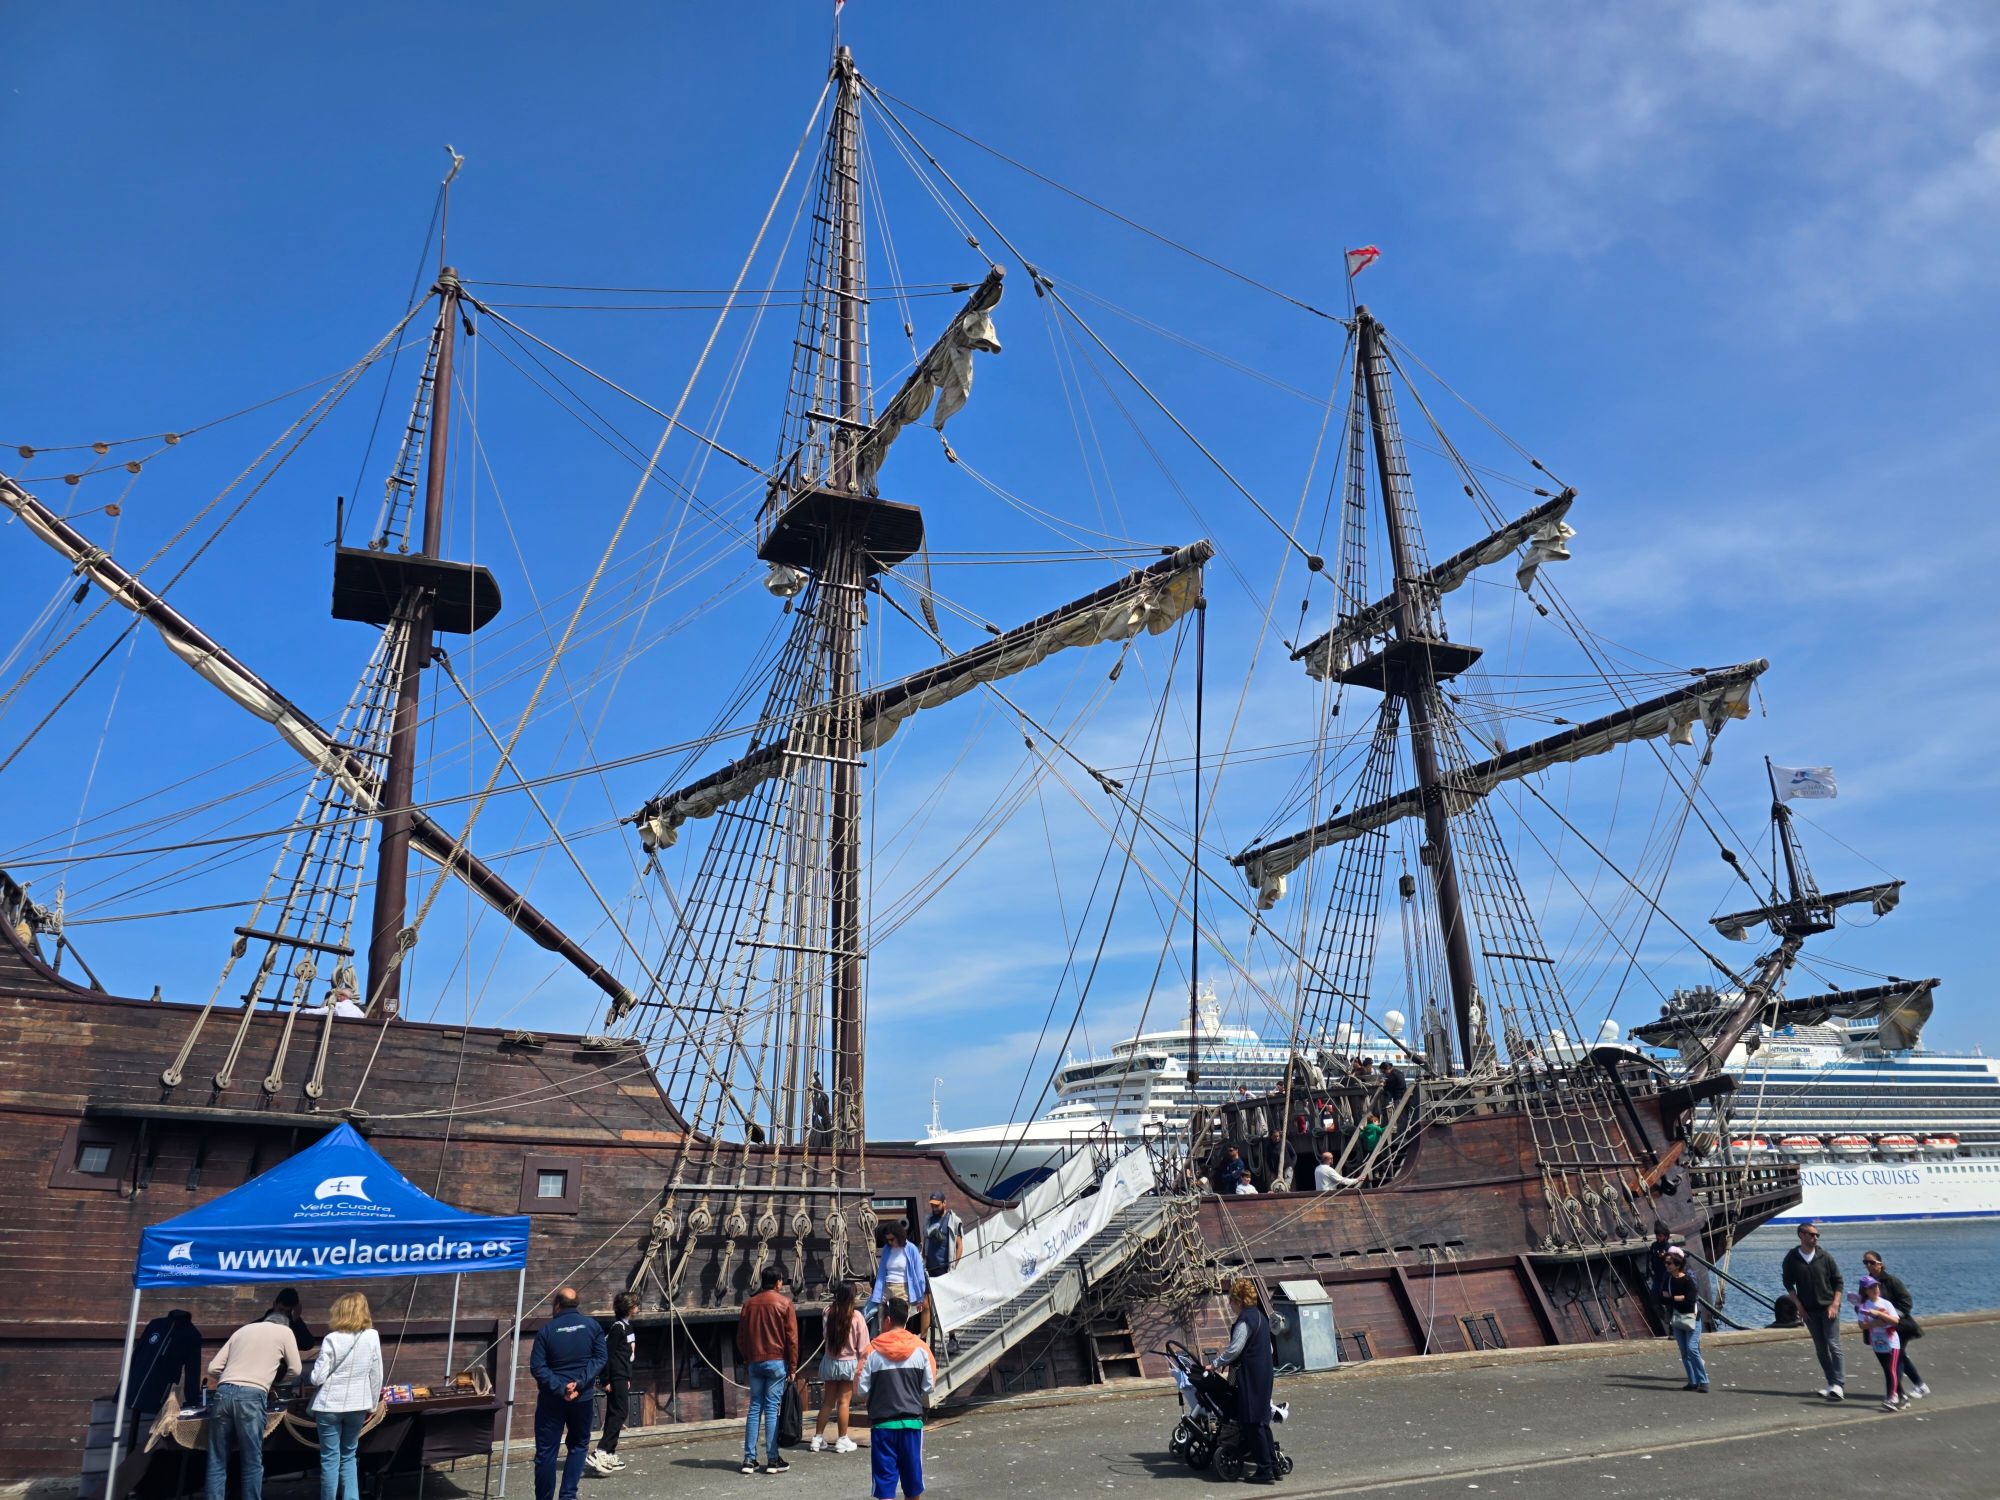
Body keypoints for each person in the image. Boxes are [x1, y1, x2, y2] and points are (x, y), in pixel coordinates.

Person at [204, 1305, 303, 1500]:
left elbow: (213, 1368)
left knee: (217, 1460)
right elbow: (296, 1369)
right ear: (284, 1323)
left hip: (223, 1392)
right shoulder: (285, 1332)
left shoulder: (242, 1330)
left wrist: (231, 1378)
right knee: (251, 1462)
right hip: (252, 1395)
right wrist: (276, 1382)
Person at [530, 1286, 607, 1500]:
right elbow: (600, 1358)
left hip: (552, 1400)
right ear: (576, 1304)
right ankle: (568, 1495)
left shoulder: (546, 1331)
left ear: (557, 1305)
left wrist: (560, 1387)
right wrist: (579, 1383)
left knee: (546, 1452)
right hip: (582, 1398)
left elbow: (537, 1367)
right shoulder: (593, 1326)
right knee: (579, 1445)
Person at [856, 1294, 935, 1500]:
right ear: (906, 1319)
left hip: (883, 1426)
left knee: (885, 1487)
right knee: (913, 1486)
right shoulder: (922, 1349)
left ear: (887, 1320)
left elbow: (861, 1389)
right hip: (911, 1424)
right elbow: (928, 1386)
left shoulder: (871, 1350)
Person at [309, 1293, 383, 1500]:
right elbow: (376, 1374)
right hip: (358, 1404)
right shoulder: (372, 1336)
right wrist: (372, 1405)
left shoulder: (331, 1339)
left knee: (330, 1459)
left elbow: (317, 1378)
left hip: (329, 1405)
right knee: (349, 1456)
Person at [1209, 1278, 1278, 1486]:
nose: (1230, 1305)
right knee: (1261, 1420)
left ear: (1238, 1300)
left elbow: (1234, 1349)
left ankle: (1265, 1469)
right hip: (1264, 1374)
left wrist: (1215, 1364)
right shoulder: (1261, 1317)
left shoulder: (1245, 1321)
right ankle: (1274, 1465)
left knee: (1251, 1422)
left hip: (1250, 1377)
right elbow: (1269, 1348)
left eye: (1231, 1300)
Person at [737, 1266, 799, 1476]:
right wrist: (792, 1366)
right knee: (772, 1409)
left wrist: (748, 1358)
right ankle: (772, 1459)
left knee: (755, 1407)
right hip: (777, 1361)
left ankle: (749, 1459)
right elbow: (792, 1339)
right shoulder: (785, 1303)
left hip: (755, 1361)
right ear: (778, 1282)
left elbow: (741, 1338)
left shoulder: (748, 1304)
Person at [1780, 1221, 1845, 1400]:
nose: (1815, 1237)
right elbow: (1788, 1283)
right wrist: (1799, 1306)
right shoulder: (1792, 1258)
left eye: (1817, 1235)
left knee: (1833, 1344)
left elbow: (1838, 1282)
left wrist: (1835, 1304)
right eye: (1811, 1234)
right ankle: (1831, 1383)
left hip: (1828, 1307)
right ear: (1801, 1235)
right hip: (1809, 1311)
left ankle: (1839, 1385)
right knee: (1821, 1348)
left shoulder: (1825, 1257)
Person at [1862, 1250, 1932, 1400]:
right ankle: (1920, 1385)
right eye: (1865, 1262)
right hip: (1879, 1330)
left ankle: (1896, 1394)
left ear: (1880, 1264)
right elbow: (1863, 1303)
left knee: (1896, 1358)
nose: (1868, 1265)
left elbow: (1906, 1302)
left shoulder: (1892, 1281)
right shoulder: (1865, 1283)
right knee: (1900, 1357)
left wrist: (1891, 1316)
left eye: (1872, 1262)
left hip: (1899, 1327)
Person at [812, 1280, 870, 1454]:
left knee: (827, 1402)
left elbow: (825, 1336)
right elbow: (863, 1346)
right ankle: (842, 1439)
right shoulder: (856, 1316)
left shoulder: (827, 1312)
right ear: (852, 1296)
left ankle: (817, 1438)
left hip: (830, 1361)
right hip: (849, 1363)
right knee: (844, 1402)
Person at [123, 1308, 203, 1429]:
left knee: (156, 1429)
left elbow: (193, 1371)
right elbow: (138, 1352)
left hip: (160, 1390)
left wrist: (192, 1401)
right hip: (137, 1382)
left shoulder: (192, 1334)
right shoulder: (155, 1325)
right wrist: (124, 1386)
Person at [589, 1292, 638, 1473]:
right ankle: (600, 1450)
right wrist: (606, 1379)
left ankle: (609, 1453)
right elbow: (607, 1355)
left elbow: (626, 1355)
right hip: (616, 1376)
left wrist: (628, 1377)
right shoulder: (618, 1328)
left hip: (622, 1375)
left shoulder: (627, 1327)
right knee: (620, 1412)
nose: (637, 1307)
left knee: (613, 1413)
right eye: (635, 1305)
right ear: (629, 1308)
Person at [867, 1225, 930, 1336]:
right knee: (883, 1325)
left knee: (899, 1325)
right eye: (887, 1240)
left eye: (892, 1239)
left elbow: (919, 1273)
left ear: (899, 1236)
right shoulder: (887, 1249)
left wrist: (920, 1297)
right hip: (886, 1288)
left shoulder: (911, 1249)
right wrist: (877, 1294)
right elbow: (881, 1272)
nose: (890, 1242)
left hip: (902, 1289)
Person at [1854, 1275, 1904, 1412]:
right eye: (1871, 1287)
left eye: (1876, 1286)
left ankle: (1891, 1398)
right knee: (1887, 1369)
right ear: (1865, 1291)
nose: (1875, 1289)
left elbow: (1895, 1321)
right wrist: (1875, 1323)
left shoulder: (1886, 1303)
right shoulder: (1863, 1306)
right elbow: (1861, 1325)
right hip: (1877, 1341)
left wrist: (1879, 1314)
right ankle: (1898, 1396)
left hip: (1892, 1341)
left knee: (1891, 1369)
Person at [1661, 1247, 1708, 1392]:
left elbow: (1690, 1300)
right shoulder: (1669, 1280)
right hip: (1677, 1319)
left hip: (1692, 1318)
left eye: (1669, 1263)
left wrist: (1673, 1298)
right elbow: (1662, 1298)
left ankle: (1703, 1381)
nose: (1666, 1265)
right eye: (1665, 1263)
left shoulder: (1688, 1280)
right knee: (1684, 1352)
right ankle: (1692, 1382)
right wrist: (1678, 1298)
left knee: (1692, 1349)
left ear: (1677, 1265)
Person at [922, 1195, 964, 1281]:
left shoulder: (953, 1220)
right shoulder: (928, 1219)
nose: (934, 1208)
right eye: (932, 1206)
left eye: (937, 1205)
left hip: (945, 1268)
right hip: (929, 1267)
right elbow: (925, 1239)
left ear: (944, 1203)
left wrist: (953, 1265)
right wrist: (923, 1258)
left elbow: (959, 1246)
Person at [268, 1288, 318, 1356]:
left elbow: (307, 1344)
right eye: (281, 1309)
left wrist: (296, 1320)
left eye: (287, 1311)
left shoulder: (293, 1323)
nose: (283, 1314)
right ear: (274, 1305)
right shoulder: (260, 1323)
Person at [1645, 1222, 1674, 1324]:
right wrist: (1649, 1272)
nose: (1658, 1238)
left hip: (1666, 1279)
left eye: (1660, 1236)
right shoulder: (1654, 1246)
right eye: (1657, 1235)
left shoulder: (1669, 1248)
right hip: (1657, 1278)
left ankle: (1671, 1320)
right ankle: (1664, 1317)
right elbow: (1650, 1259)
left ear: (1665, 1236)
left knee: (1668, 1299)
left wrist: (1664, 1256)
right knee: (1654, 1300)